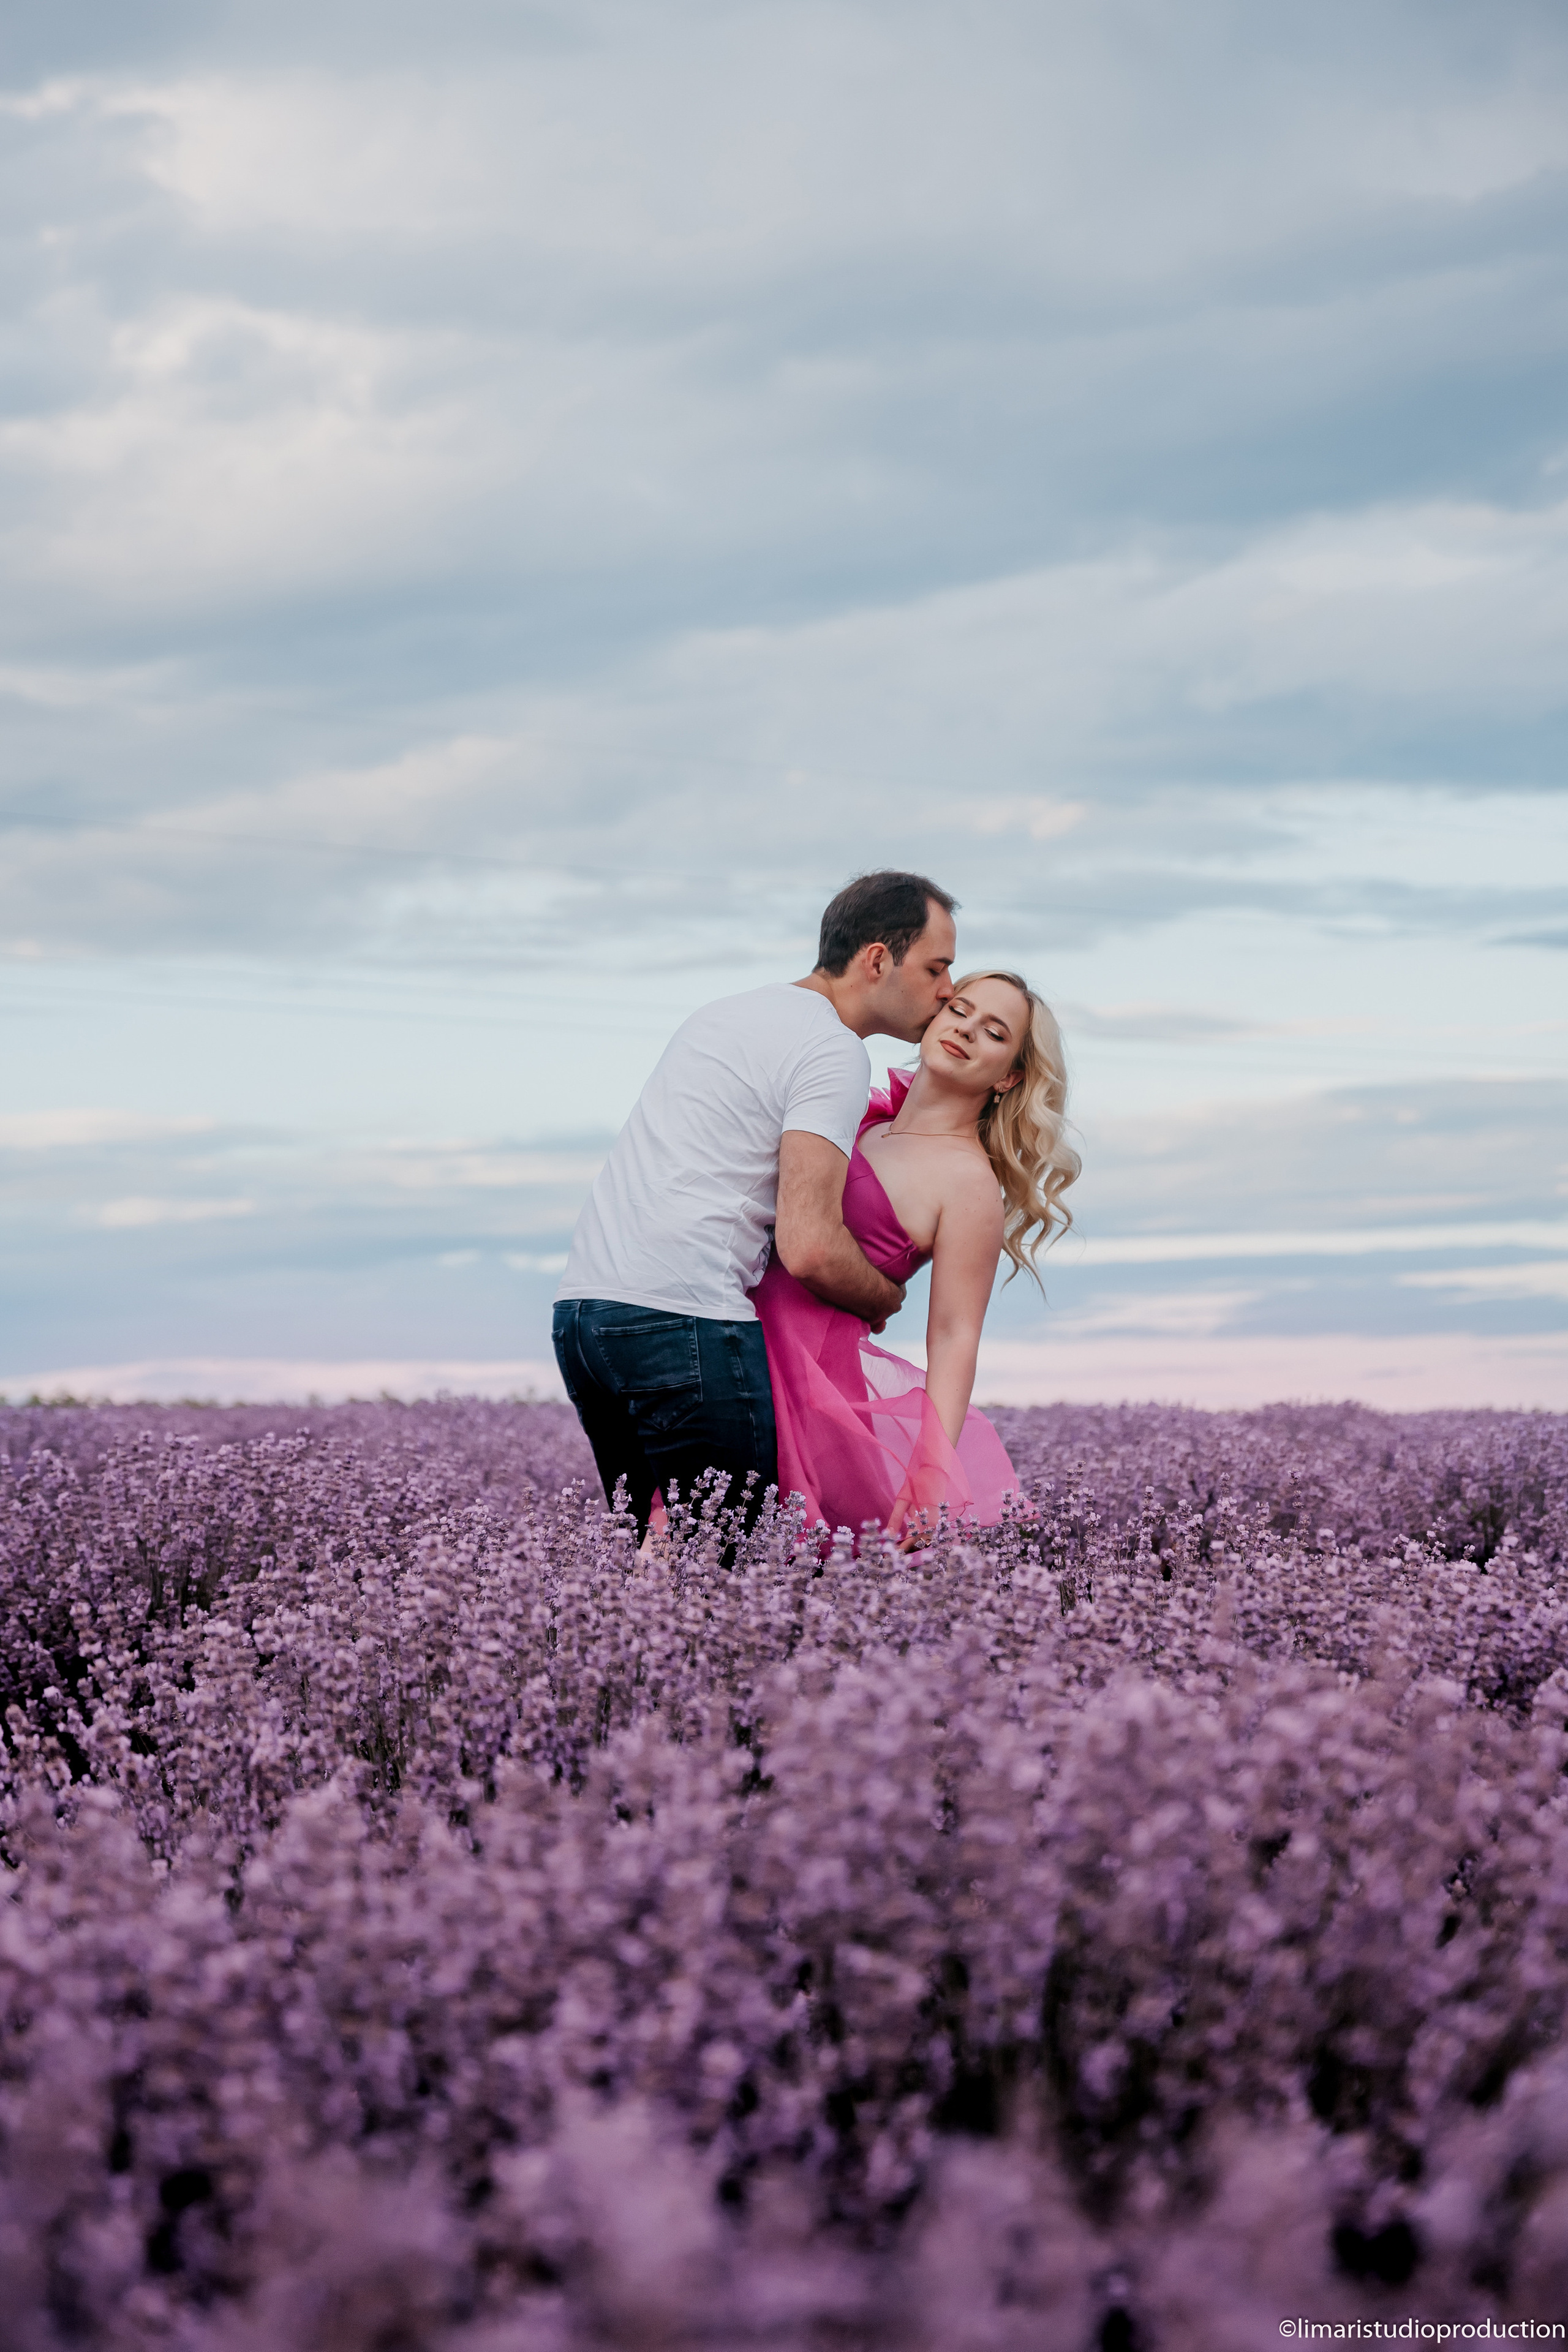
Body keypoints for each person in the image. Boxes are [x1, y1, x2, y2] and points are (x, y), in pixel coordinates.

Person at [552, 872, 959, 1536]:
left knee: (650, 1569)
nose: (948, 990)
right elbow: (810, 1246)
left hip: (583, 1317)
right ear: (878, 958)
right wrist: (884, 1298)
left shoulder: (728, 1011)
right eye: (937, 966)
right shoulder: (831, 1049)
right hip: (683, 1320)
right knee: (740, 1581)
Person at [750, 970, 1079, 1538]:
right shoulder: (862, 1115)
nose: (968, 1030)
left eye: (995, 1032)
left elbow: (955, 1335)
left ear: (1010, 1078)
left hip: (807, 1388)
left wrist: (932, 1472)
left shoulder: (969, 1184)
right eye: (962, 1010)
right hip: (725, 1343)